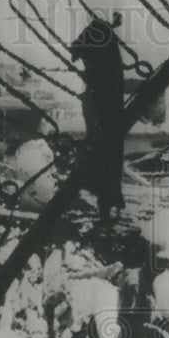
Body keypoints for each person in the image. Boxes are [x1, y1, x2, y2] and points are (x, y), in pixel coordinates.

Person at [69, 13, 126, 220]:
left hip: (100, 101)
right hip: (109, 100)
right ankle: (110, 198)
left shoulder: (96, 32)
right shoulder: (105, 35)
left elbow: (75, 51)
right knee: (111, 149)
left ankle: (107, 199)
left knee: (103, 145)